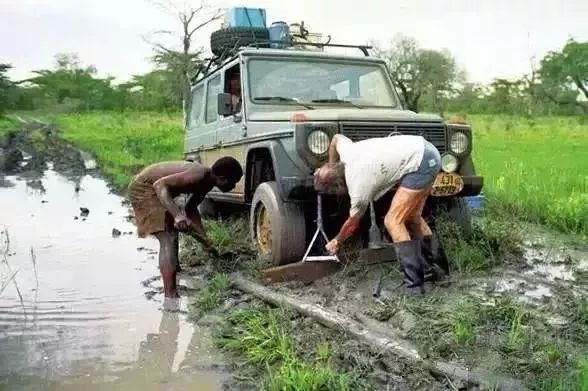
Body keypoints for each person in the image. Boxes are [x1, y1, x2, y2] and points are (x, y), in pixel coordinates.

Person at [313, 134, 449, 294]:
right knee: (413, 217)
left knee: (393, 221)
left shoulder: (358, 187)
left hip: (420, 162)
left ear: (337, 185)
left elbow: (353, 223)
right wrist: (331, 163)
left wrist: (337, 241)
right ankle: (438, 271)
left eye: (335, 192)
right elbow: (336, 139)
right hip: (427, 150)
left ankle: (414, 286)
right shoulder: (347, 152)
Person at [128, 158, 243, 298]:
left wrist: (205, 240)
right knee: (167, 238)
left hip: (158, 188)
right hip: (145, 188)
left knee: (171, 229)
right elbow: (160, 184)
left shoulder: (206, 183)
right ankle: (170, 296)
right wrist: (177, 215)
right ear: (222, 177)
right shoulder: (199, 174)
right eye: (234, 182)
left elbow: (191, 209)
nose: (234, 186)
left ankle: (174, 270)